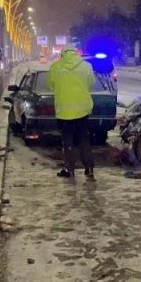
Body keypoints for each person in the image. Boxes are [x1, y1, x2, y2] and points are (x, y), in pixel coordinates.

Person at [47, 45, 96, 180]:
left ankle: (69, 169)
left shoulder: (55, 67)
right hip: (83, 110)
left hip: (64, 111)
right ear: (75, 53)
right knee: (84, 138)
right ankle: (89, 168)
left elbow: (51, 85)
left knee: (67, 140)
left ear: (62, 55)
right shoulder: (86, 66)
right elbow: (90, 83)